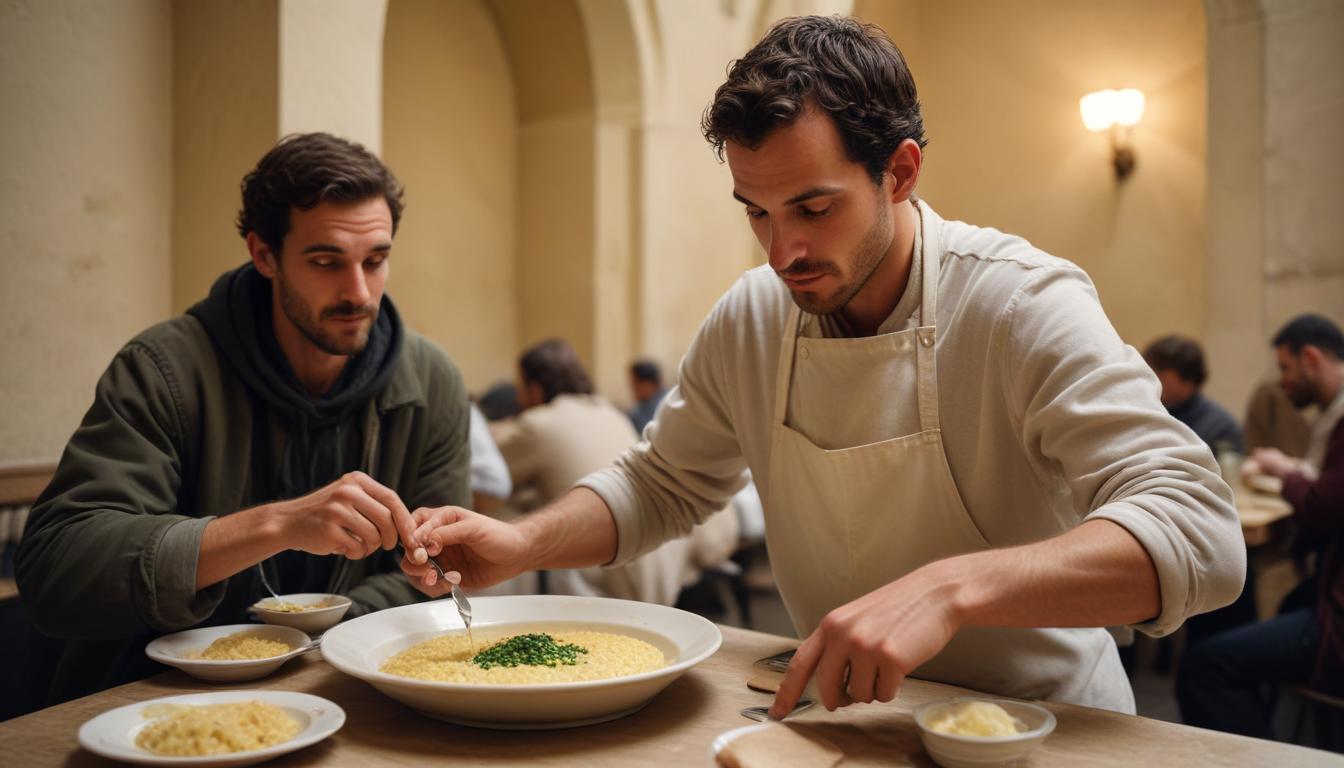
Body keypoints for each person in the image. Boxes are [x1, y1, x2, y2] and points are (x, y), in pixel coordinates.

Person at [402, 16, 1242, 717]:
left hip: (1042, 727)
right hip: (842, 719)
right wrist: (519, 542)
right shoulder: (754, 314)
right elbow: (662, 482)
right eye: (757, 213)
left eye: (813, 207)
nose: (783, 252)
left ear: (900, 172)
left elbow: (1201, 535)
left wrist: (951, 588)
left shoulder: (1021, 303)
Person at [16, 132, 469, 705]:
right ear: (263, 255)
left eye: (376, 261)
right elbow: (56, 571)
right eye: (327, 261)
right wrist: (276, 525)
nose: (358, 292)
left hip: (345, 695)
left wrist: (308, 633)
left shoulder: (432, 383)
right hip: (153, 705)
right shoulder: (164, 369)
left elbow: (437, 577)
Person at [1177, 313, 1344, 738]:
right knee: (1271, 608)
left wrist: (1284, 474)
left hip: (1336, 617)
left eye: (1286, 368)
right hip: (1327, 592)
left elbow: (1321, 506)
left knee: (1204, 667)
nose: (1283, 382)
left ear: (1311, 358)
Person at [497, 339, 737, 604]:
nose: (519, 397)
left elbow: (493, 480)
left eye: (522, 387)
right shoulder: (610, 411)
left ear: (535, 387)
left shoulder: (538, 424)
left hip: (605, 567)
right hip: (663, 555)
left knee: (507, 524)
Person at [1142, 335, 1244, 455]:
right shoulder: (1143, 410)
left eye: (1159, 372)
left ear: (1188, 380)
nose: (1151, 378)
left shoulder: (1222, 428)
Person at [628, 359, 668, 435]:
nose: (632, 389)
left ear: (646, 383)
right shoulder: (640, 408)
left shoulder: (660, 407)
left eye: (634, 384)